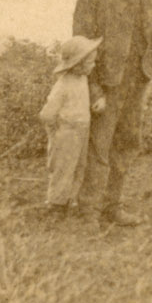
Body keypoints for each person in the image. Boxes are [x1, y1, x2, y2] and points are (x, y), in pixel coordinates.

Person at [72, 0, 152, 228]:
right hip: (106, 79)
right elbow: (82, 39)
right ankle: (89, 211)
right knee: (99, 144)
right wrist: (94, 88)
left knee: (127, 143)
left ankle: (113, 207)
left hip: (138, 77)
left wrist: (141, 59)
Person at [39, 35, 100, 212]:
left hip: (82, 129)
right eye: (90, 62)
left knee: (79, 165)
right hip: (67, 131)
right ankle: (56, 203)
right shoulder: (63, 85)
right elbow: (47, 114)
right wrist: (55, 132)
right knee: (63, 167)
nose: (94, 65)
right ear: (78, 64)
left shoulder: (82, 80)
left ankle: (70, 200)